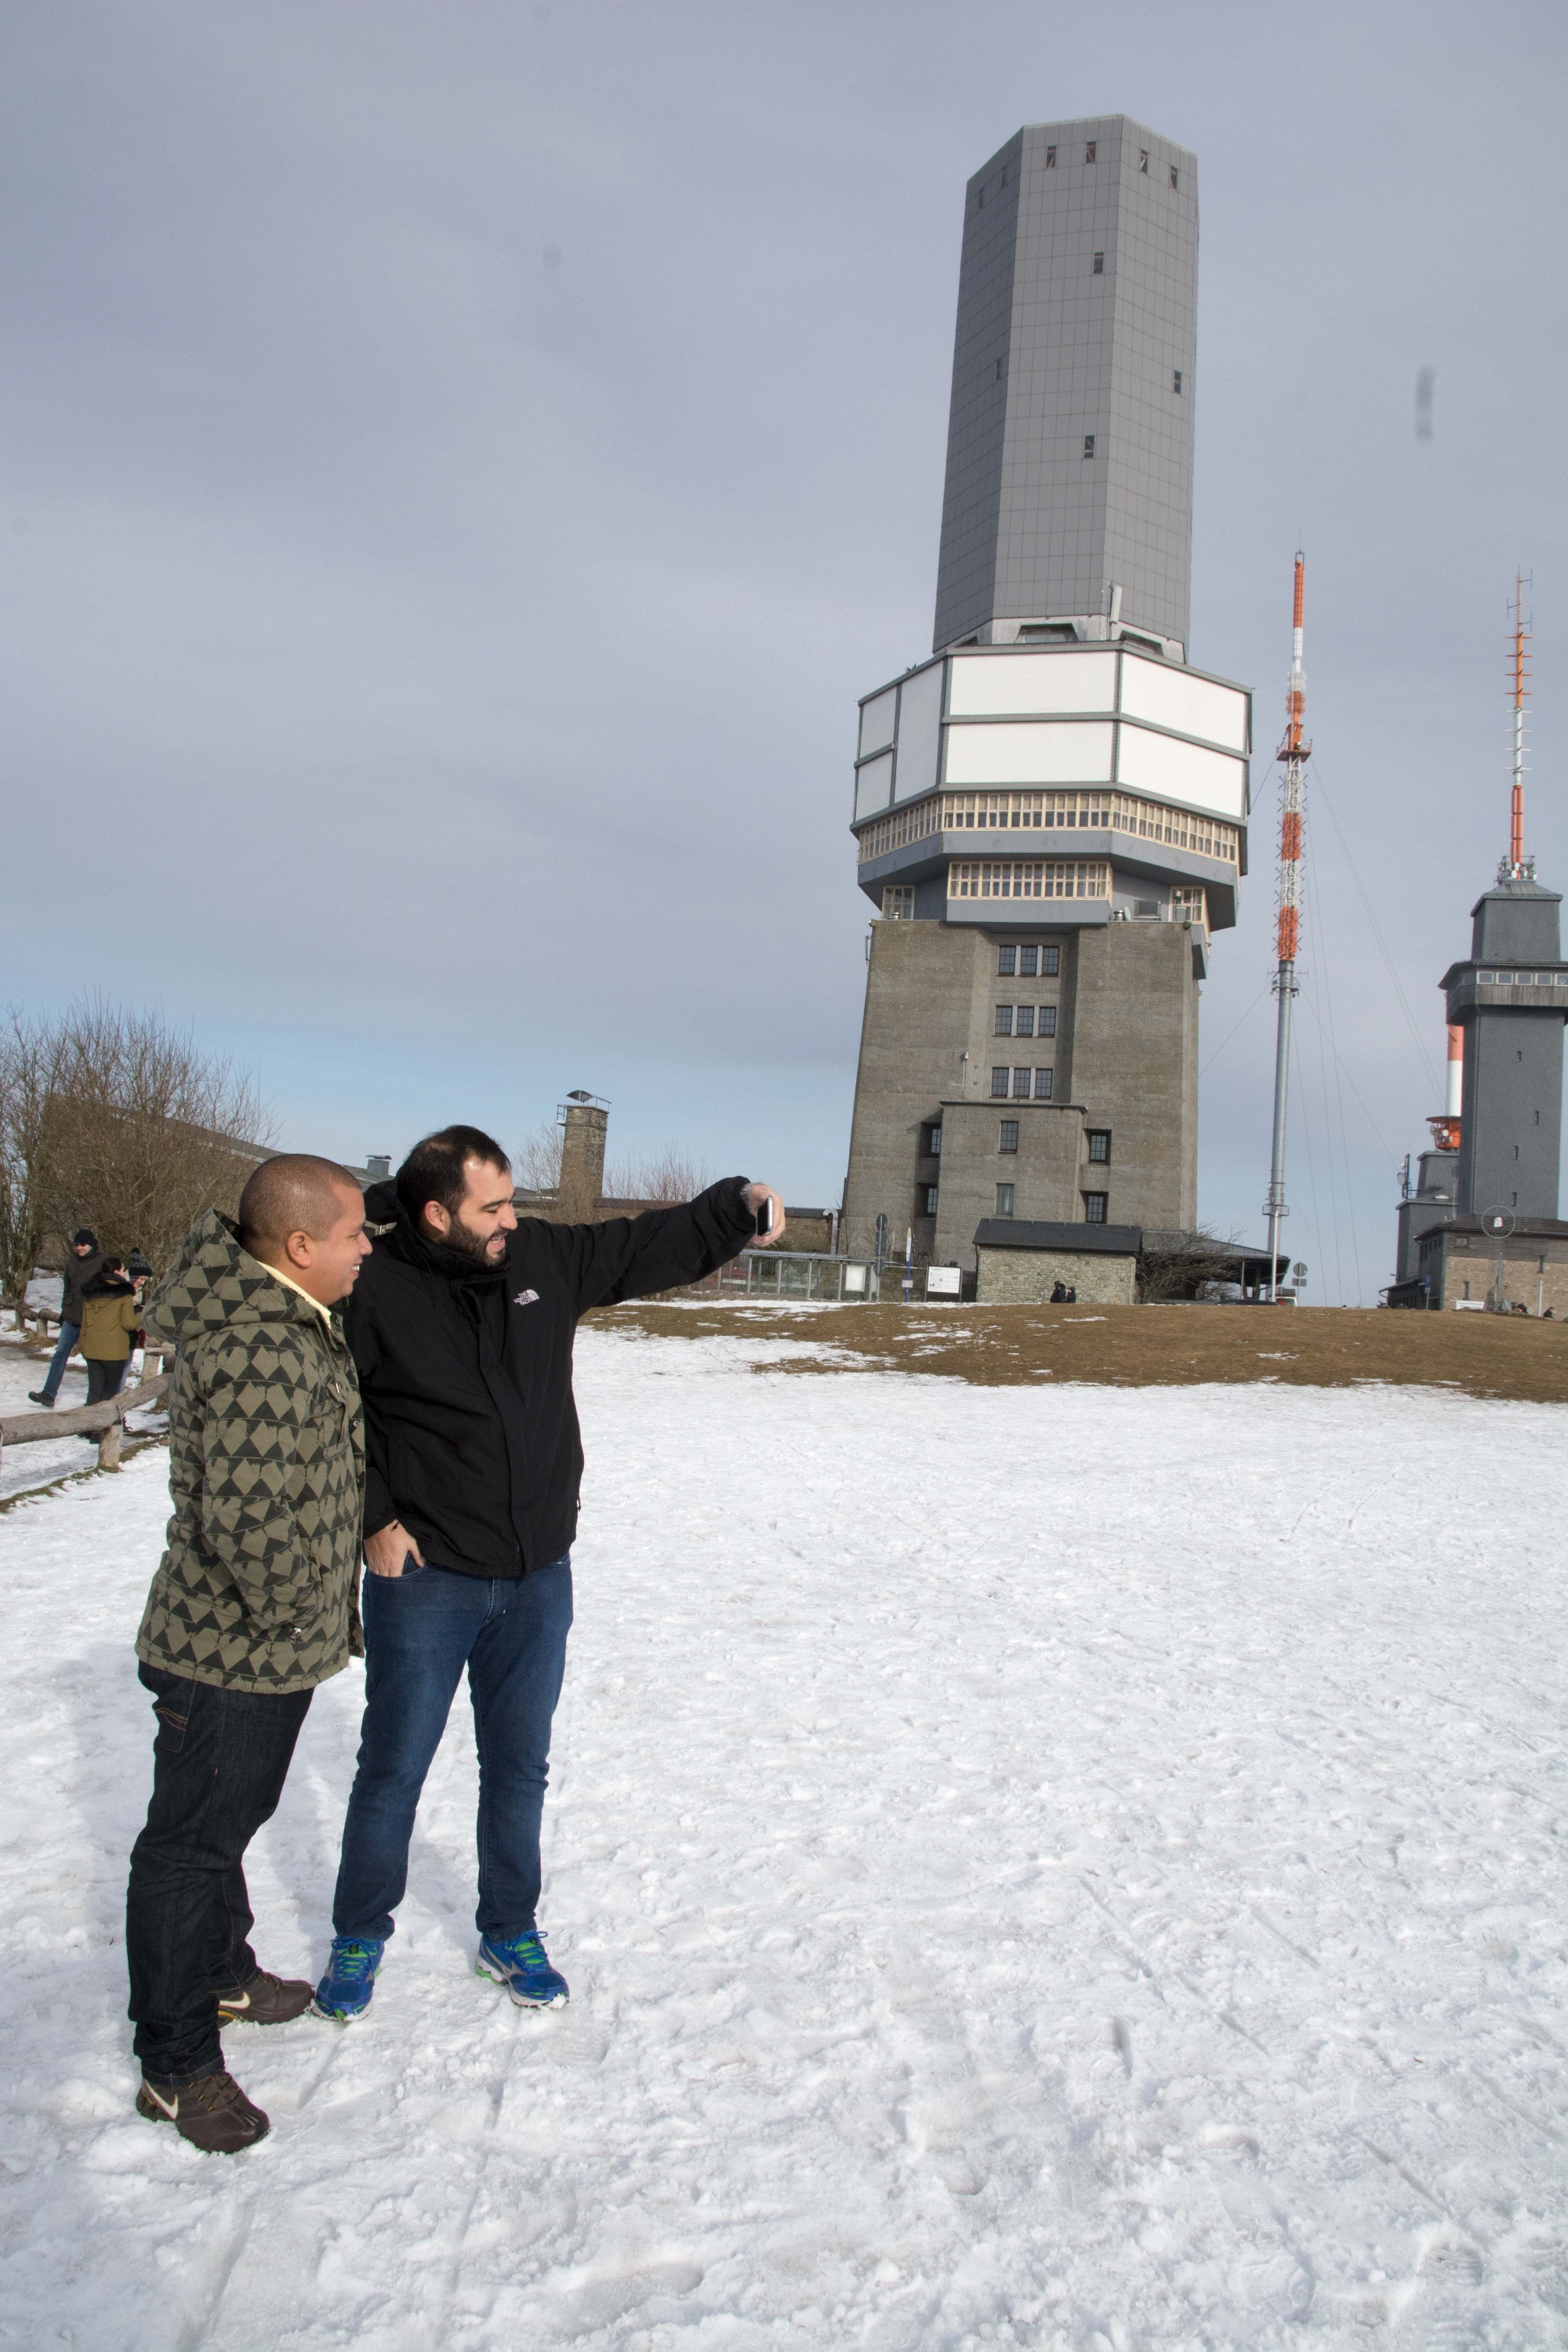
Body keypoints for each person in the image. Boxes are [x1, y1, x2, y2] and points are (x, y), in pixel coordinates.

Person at [314, 1125, 781, 2022]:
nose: (510, 1219)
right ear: (434, 1212)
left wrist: (735, 1204)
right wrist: (373, 1516)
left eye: (511, 1199)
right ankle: (360, 1933)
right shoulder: (371, 1285)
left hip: (536, 1576)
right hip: (427, 1577)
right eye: (491, 1206)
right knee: (393, 1769)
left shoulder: (536, 1260)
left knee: (518, 1766)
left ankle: (509, 1929)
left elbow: (640, 1245)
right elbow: (338, 1415)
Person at [125, 1156, 371, 2154]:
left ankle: (223, 1976)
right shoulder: (257, 1346)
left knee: (218, 1829)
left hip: (262, 1648)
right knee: (187, 1850)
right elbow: (248, 1521)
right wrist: (297, 1616)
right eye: (356, 1233)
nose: (367, 1249)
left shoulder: (285, 1319)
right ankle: (176, 2064)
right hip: (230, 1652)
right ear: (299, 1246)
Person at [28, 1227, 103, 1406]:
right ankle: (48, 1393)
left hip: (92, 1318)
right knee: (61, 1353)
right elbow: (67, 1289)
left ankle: (96, 1399)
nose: (79, 1248)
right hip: (71, 1316)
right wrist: (64, 1310)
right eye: (76, 1245)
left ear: (91, 1244)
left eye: (82, 1245)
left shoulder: (103, 1262)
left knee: (93, 1359)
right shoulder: (72, 1263)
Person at [78, 1254, 147, 1404]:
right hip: (114, 1352)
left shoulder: (90, 1292)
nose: (124, 1274)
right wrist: (141, 1314)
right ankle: (107, 1426)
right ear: (116, 1272)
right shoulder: (124, 1293)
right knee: (110, 1394)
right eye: (122, 1270)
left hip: (92, 1349)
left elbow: (84, 1323)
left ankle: (90, 1425)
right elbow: (129, 1324)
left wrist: (83, 1346)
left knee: (94, 1392)